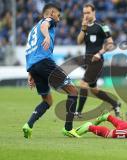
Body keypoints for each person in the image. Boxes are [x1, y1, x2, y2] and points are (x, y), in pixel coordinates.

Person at [22, 3, 80, 138]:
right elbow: (45, 26)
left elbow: (30, 51)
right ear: (51, 13)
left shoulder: (32, 31)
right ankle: (68, 128)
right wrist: (47, 36)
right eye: (58, 16)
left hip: (34, 65)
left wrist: (31, 72)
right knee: (73, 91)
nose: (59, 19)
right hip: (45, 62)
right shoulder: (48, 21)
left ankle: (28, 125)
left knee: (47, 101)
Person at [76, 3, 121, 117]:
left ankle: (78, 112)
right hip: (87, 60)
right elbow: (79, 41)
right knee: (94, 89)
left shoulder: (101, 26)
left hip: (97, 61)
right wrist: (83, 28)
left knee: (83, 84)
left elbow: (110, 43)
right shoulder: (85, 26)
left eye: (88, 13)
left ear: (94, 12)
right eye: (84, 13)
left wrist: (99, 53)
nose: (86, 15)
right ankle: (115, 104)